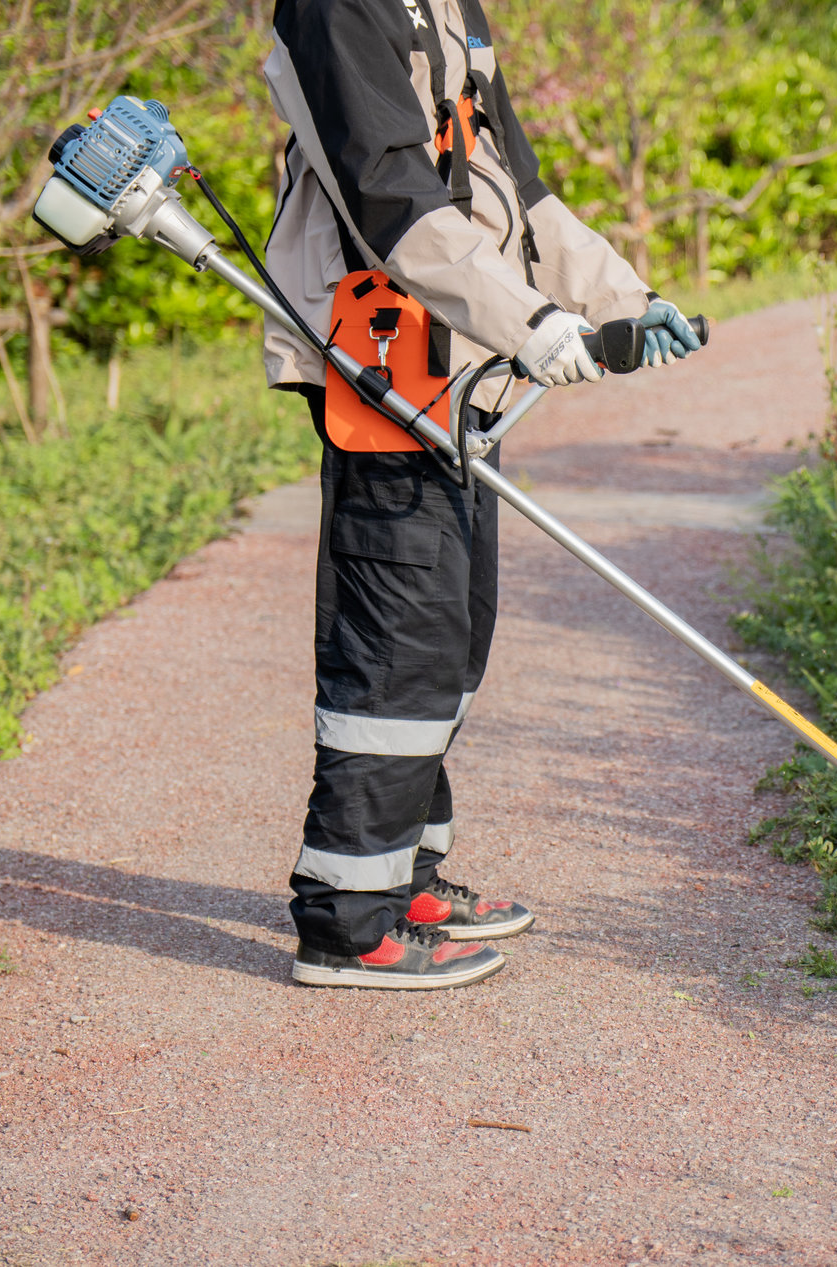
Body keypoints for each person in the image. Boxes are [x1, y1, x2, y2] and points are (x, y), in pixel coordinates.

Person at [258, 0, 700, 989]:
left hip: (465, 373)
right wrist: (534, 324)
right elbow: (390, 194)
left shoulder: (449, 6)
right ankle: (344, 922)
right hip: (388, 362)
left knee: (454, 632)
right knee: (398, 639)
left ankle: (405, 876)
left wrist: (623, 299)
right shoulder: (338, 6)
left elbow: (521, 193)